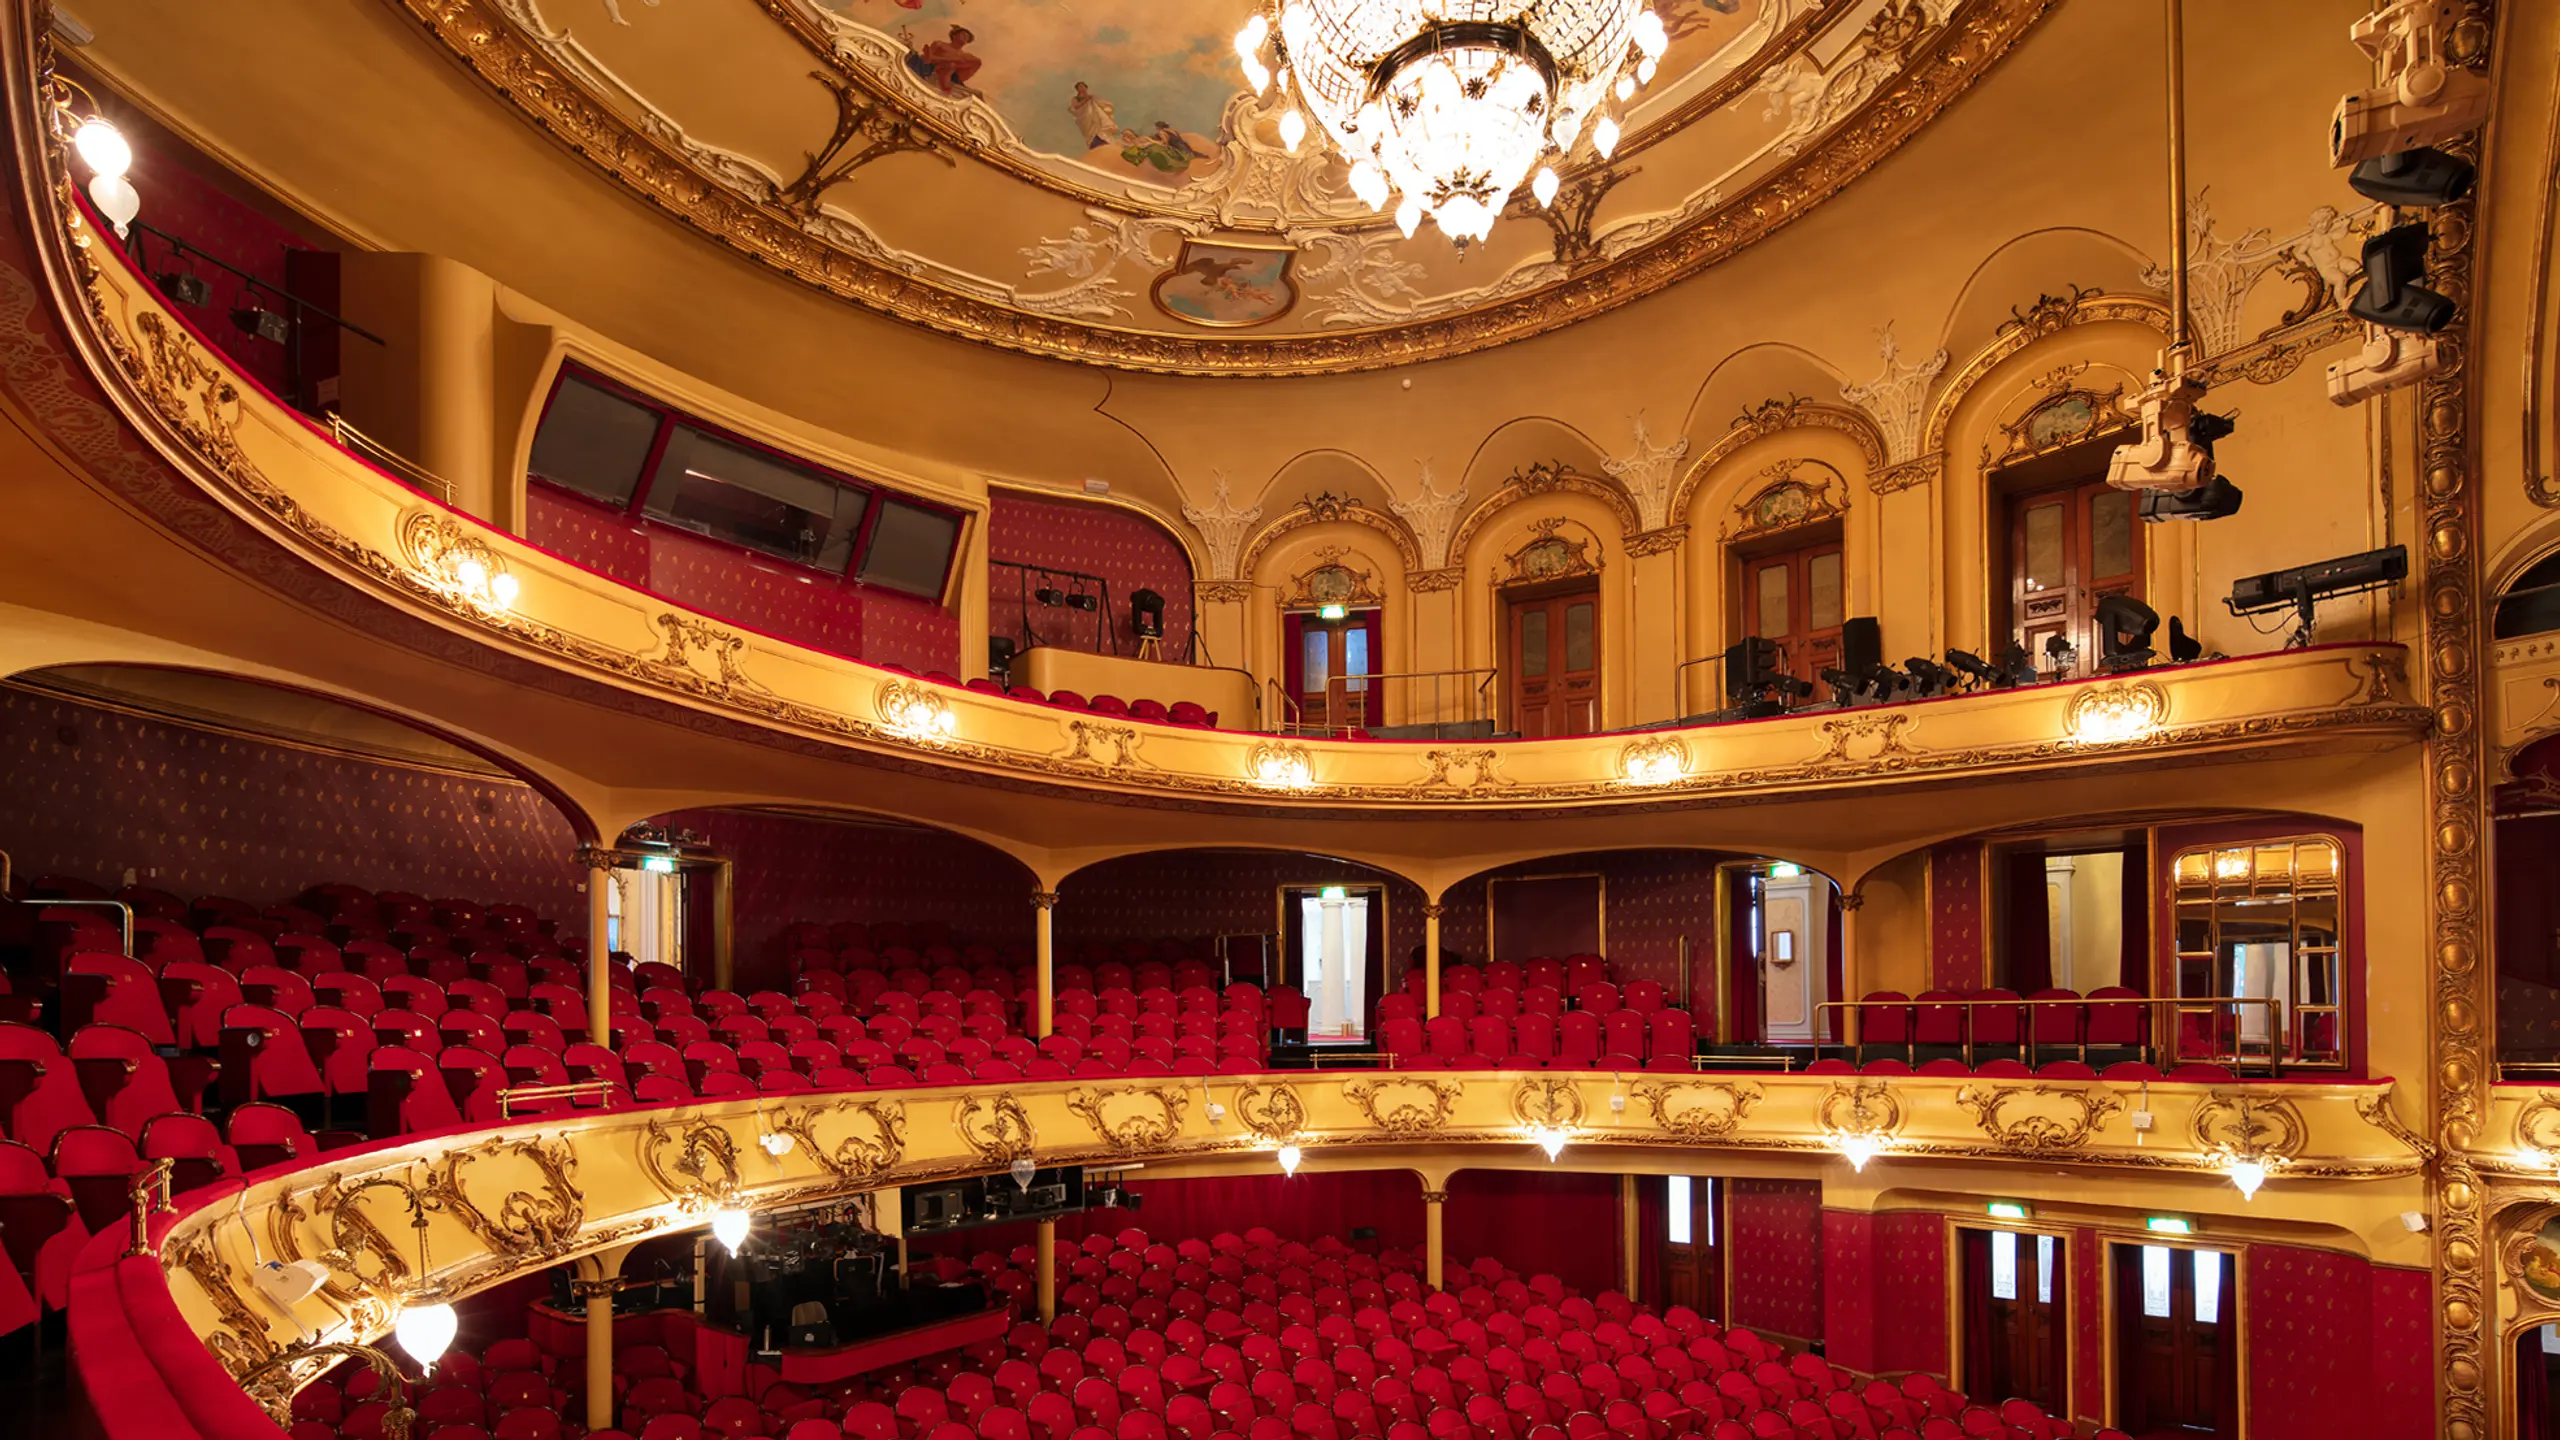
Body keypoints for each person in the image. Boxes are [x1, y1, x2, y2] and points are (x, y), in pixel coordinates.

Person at [905, 25, 981, 95]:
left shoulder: (965, 55)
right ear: (954, 35)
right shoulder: (940, 44)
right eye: (963, 34)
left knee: (951, 66)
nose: (965, 37)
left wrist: (944, 60)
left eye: (967, 37)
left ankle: (946, 87)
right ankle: (945, 87)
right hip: (932, 68)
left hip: (950, 75)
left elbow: (973, 65)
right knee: (950, 65)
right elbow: (927, 59)